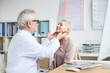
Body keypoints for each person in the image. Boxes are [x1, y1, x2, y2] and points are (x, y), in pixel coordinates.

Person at [6, 9, 66, 73]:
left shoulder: (20, 36)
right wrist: (57, 39)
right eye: (36, 21)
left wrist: (48, 39)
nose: (37, 24)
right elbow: (46, 53)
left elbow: (38, 52)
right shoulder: (24, 38)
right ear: (29, 23)